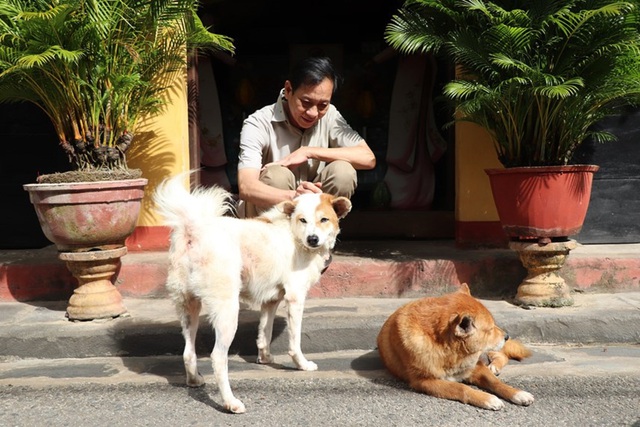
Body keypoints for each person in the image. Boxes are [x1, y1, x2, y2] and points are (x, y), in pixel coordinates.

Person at [237, 56, 376, 218]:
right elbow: (246, 186)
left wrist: (309, 151)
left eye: (323, 105)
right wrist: (298, 198)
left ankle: (320, 234)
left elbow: (368, 158)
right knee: (277, 175)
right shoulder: (258, 122)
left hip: (313, 222)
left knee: (343, 171)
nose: (313, 113)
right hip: (266, 225)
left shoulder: (331, 115)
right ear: (288, 90)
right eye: (306, 102)